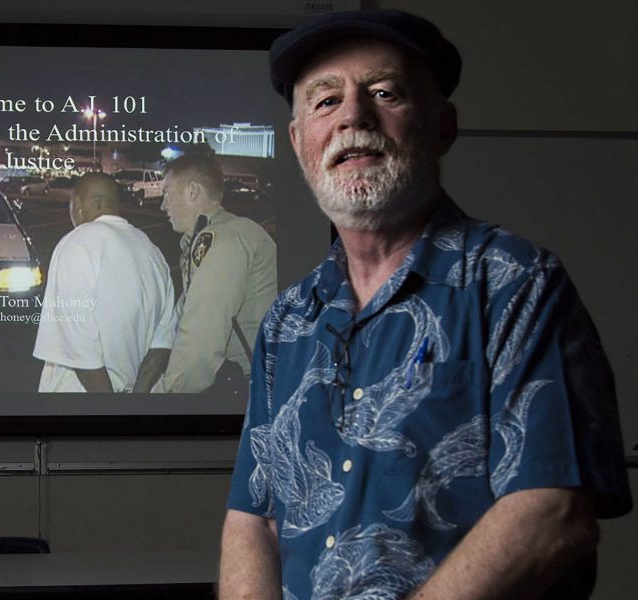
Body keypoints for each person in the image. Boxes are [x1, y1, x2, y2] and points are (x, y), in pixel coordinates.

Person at [220, 9, 632, 600]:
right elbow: (253, 517)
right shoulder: (289, 319)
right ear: (298, 143)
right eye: (325, 101)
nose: (353, 117)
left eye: (384, 93)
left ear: (443, 127)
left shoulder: (515, 284)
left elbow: (553, 513)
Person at [32, 172, 176, 392]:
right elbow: (162, 344)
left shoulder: (78, 242)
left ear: (81, 204)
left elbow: (79, 348)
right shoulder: (153, 253)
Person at [151, 154, 277, 394]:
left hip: (251, 386)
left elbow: (200, 344)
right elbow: (183, 315)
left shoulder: (223, 239)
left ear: (192, 191)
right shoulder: (217, 235)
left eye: (167, 193)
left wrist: (162, 398)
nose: (163, 205)